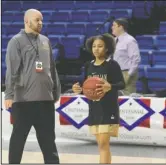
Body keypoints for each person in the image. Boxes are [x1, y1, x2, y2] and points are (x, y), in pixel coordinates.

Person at [4, 9, 61, 164]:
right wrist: (8, 95)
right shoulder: (16, 41)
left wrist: (56, 92)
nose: (40, 23)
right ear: (27, 21)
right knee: (18, 139)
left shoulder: (45, 40)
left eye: (41, 20)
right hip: (24, 101)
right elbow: (12, 70)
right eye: (37, 20)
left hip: (46, 101)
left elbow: (52, 68)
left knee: (49, 141)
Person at [72, 33, 125, 164]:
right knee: (100, 145)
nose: (96, 49)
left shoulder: (112, 64)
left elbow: (122, 84)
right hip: (94, 109)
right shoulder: (88, 65)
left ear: (107, 48)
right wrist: (78, 89)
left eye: (100, 46)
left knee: (103, 143)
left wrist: (110, 86)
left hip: (108, 109)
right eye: (94, 46)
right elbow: (86, 85)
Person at [111, 18, 141, 95]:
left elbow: (136, 59)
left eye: (114, 25)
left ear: (121, 27)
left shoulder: (130, 40)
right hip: (116, 73)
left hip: (126, 72)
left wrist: (129, 74)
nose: (112, 27)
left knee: (127, 97)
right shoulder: (114, 40)